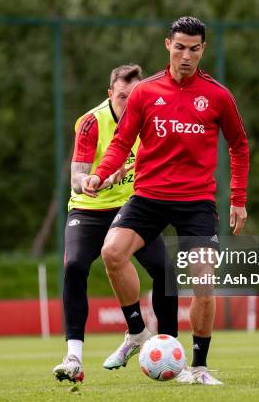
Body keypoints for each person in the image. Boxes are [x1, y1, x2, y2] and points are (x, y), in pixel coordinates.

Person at [83, 16, 249, 385]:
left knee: (203, 280)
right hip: (149, 197)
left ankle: (200, 367)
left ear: (203, 49)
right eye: (179, 47)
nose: (186, 55)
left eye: (194, 48)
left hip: (196, 202)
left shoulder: (218, 96)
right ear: (167, 46)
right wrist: (101, 172)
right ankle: (138, 331)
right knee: (112, 252)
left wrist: (238, 198)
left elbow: (239, 145)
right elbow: (122, 142)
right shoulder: (145, 92)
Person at [53, 64, 178, 383]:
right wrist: (103, 179)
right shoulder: (92, 122)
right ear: (111, 94)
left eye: (134, 96)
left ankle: (172, 354)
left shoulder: (152, 120)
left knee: (164, 270)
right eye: (122, 96)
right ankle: (73, 358)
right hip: (89, 208)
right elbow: (76, 180)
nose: (128, 102)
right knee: (75, 267)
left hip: (133, 208)